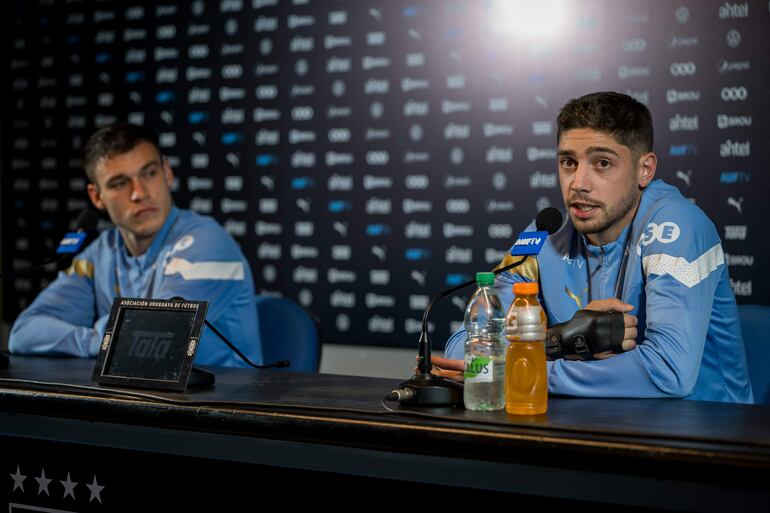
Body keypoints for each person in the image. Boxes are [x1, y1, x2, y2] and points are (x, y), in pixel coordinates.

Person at [438, 91, 753, 404]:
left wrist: (524, 372)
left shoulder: (676, 225)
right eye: (568, 162)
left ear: (645, 170)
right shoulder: (546, 233)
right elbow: (467, 345)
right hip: (598, 426)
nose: (578, 183)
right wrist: (559, 339)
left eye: (602, 163)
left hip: (705, 433)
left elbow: (669, 372)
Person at [8, 123, 262, 367]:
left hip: (219, 404)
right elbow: (24, 332)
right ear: (97, 197)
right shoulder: (100, 252)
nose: (139, 193)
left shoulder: (208, 241)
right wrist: (100, 341)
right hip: (139, 403)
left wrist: (106, 338)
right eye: (120, 183)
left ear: (167, 173)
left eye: (149, 173)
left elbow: (158, 336)